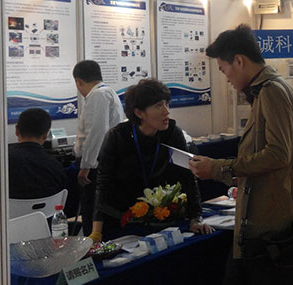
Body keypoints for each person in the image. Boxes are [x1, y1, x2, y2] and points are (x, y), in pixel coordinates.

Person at [189, 24, 293, 285]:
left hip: (271, 223)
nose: (226, 78)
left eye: (223, 69)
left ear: (239, 61)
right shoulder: (270, 88)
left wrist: (218, 168)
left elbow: (278, 155)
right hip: (269, 216)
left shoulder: (271, 91)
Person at [89, 79, 211, 242]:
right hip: (123, 219)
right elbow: (103, 185)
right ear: (139, 113)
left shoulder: (172, 133)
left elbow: (187, 177)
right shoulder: (117, 136)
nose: (166, 111)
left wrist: (196, 219)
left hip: (160, 217)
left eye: (167, 104)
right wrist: (96, 233)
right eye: (158, 106)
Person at [73, 60, 125, 235]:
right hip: (105, 161)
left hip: (96, 165)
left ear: (79, 81)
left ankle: (93, 247)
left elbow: (96, 133)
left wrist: (86, 166)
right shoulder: (108, 92)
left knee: (92, 213)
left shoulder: (97, 95)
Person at [8, 108, 67, 199]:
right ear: (45, 135)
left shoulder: (4, 164)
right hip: (48, 208)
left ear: (16, 130)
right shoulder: (55, 166)